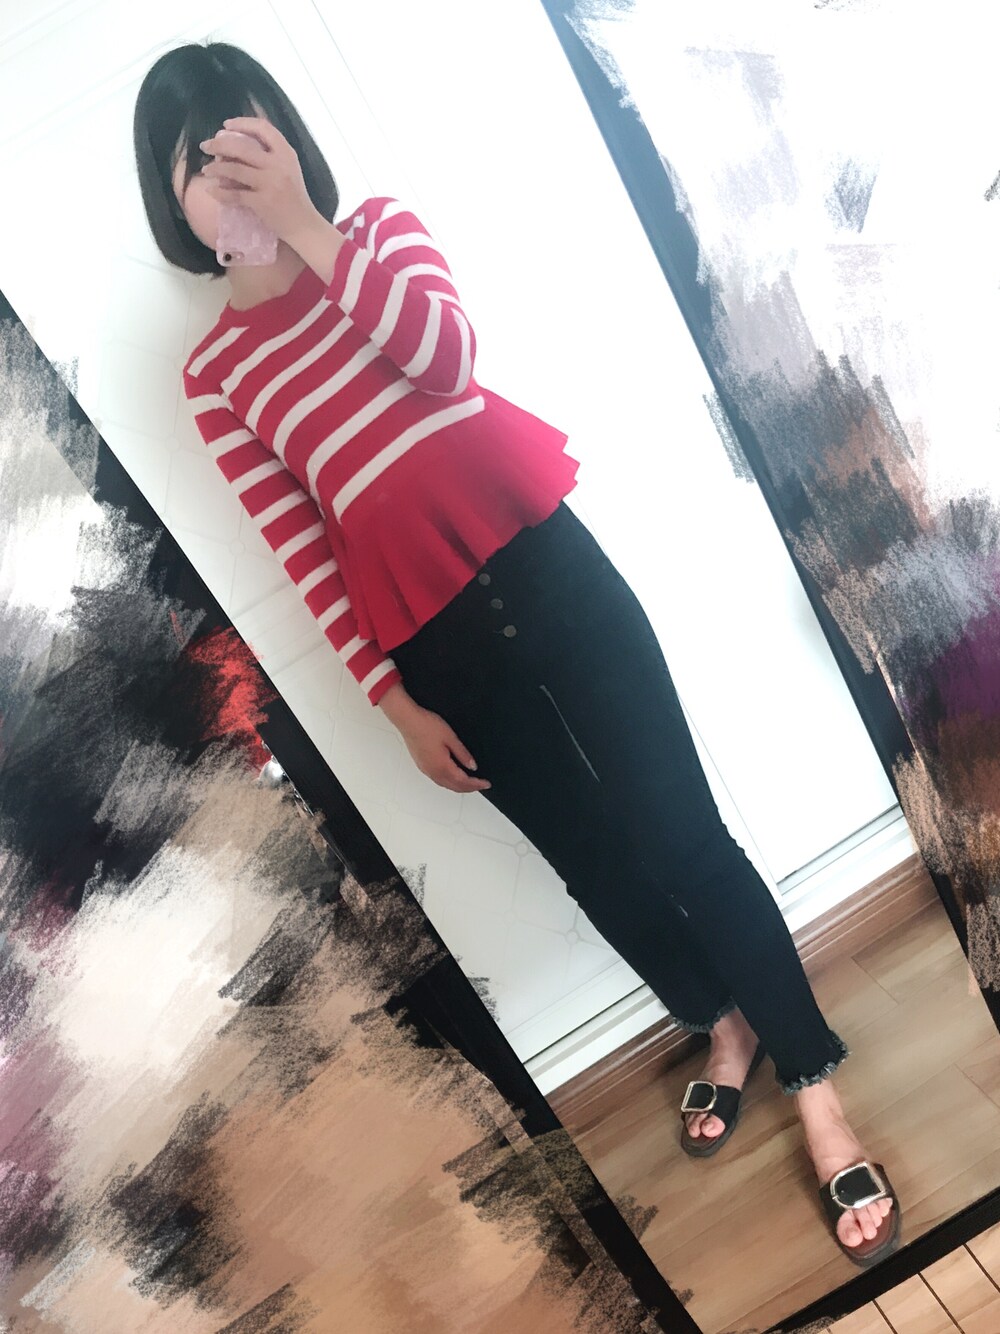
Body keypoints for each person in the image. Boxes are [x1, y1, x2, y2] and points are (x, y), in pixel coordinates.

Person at [133, 41, 899, 1265]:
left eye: (246, 136)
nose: (228, 171)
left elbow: (444, 360)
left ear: (284, 137)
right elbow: (305, 550)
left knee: (683, 837)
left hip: (551, 573)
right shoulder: (215, 373)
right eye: (196, 160)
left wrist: (308, 231)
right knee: (596, 867)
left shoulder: (376, 233)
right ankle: (722, 1021)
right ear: (166, 194)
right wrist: (393, 705)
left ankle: (815, 1082)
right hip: (439, 653)